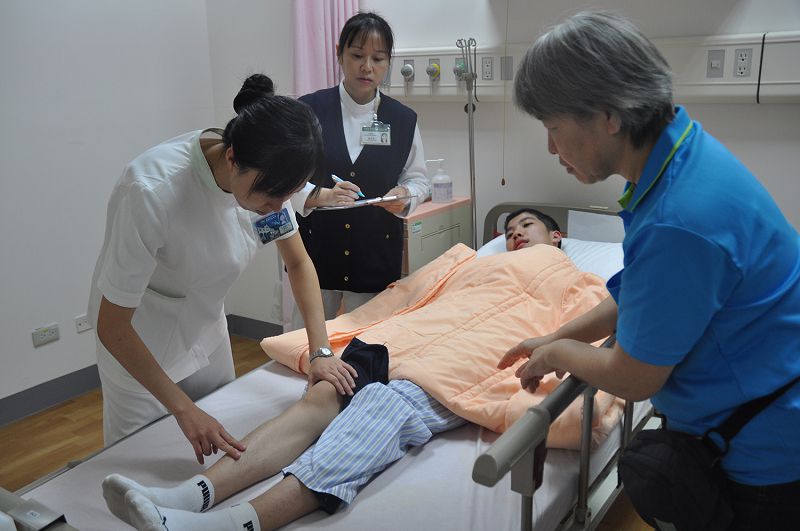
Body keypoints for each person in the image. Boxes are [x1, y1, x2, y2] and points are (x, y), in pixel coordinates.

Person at [499, 11, 800, 530]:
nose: (551, 148)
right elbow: (641, 294)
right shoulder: (679, 156)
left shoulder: (679, 217)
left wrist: (557, 355)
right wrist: (557, 335)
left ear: (608, 115)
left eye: (553, 128)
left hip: (766, 459)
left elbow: (633, 377)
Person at [101, 211, 584, 531]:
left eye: (526, 225)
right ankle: (192, 495)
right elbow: (415, 292)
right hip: (404, 341)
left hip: (461, 360)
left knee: (381, 405)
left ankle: (231, 524)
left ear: (557, 236)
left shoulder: (579, 280)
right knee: (321, 395)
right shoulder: (473, 261)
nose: (515, 233)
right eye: (509, 229)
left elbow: (592, 337)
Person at [88, 74, 358, 465]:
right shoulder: (150, 191)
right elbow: (112, 326)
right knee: (142, 465)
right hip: (140, 348)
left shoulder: (265, 176)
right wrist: (184, 409)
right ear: (232, 159)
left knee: (227, 449)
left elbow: (299, 263)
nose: (277, 207)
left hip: (206, 331)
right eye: (271, 197)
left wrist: (320, 352)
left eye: (287, 195)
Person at [289, 12, 430, 329]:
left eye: (378, 59)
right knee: (304, 343)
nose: (367, 67)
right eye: (357, 55)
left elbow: (418, 179)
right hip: (316, 254)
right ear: (339, 53)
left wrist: (404, 194)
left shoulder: (403, 119)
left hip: (374, 255)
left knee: (367, 345)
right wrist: (318, 195)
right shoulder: (307, 110)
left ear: (388, 61)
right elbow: (283, 178)